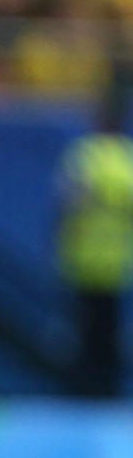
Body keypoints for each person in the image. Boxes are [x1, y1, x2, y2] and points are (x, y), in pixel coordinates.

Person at [57, 81, 133, 397]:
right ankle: (110, 391)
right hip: (116, 261)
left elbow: (70, 204)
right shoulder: (127, 160)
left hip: (83, 259)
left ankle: (86, 392)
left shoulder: (84, 157)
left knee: (85, 332)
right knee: (111, 331)